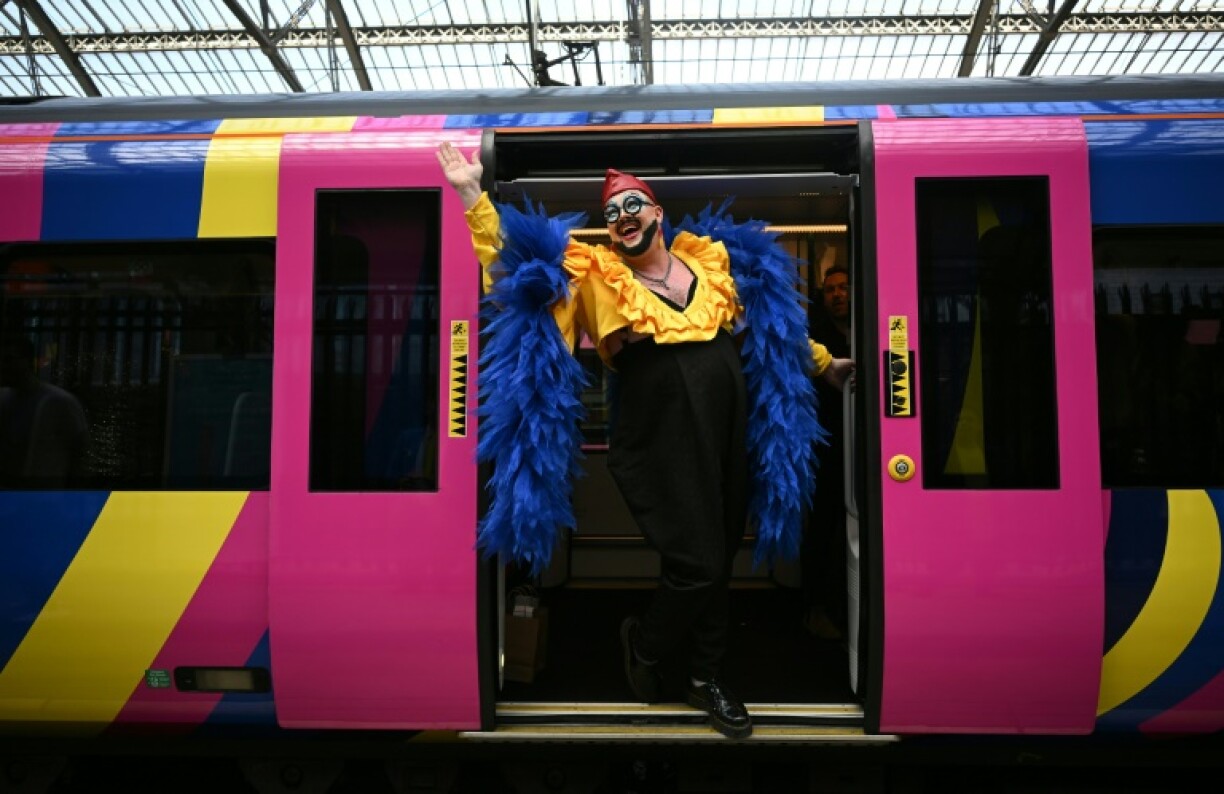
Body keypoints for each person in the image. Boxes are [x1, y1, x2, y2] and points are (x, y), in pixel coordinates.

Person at [436, 142, 852, 740]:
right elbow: (517, 268)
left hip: (726, 422)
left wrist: (822, 364)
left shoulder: (709, 263)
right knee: (697, 561)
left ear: (656, 212)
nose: (621, 216)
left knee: (720, 554)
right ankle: (647, 643)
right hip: (657, 429)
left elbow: (770, 328)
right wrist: (473, 196)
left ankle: (705, 676)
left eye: (632, 205)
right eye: (611, 213)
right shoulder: (597, 277)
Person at [802, 265, 851, 641]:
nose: (837, 294)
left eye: (844, 287)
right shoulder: (815, 338)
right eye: (830, 289)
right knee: (822, 529)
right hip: (824, 446)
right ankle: (817, 609)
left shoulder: (872, 327)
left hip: (861, 446)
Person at [0, 336, 88, 488]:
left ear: (27, 361)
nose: (4, 366)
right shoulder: (60, 400)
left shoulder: (60, 402)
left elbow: (79, 453)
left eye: (9, 359)